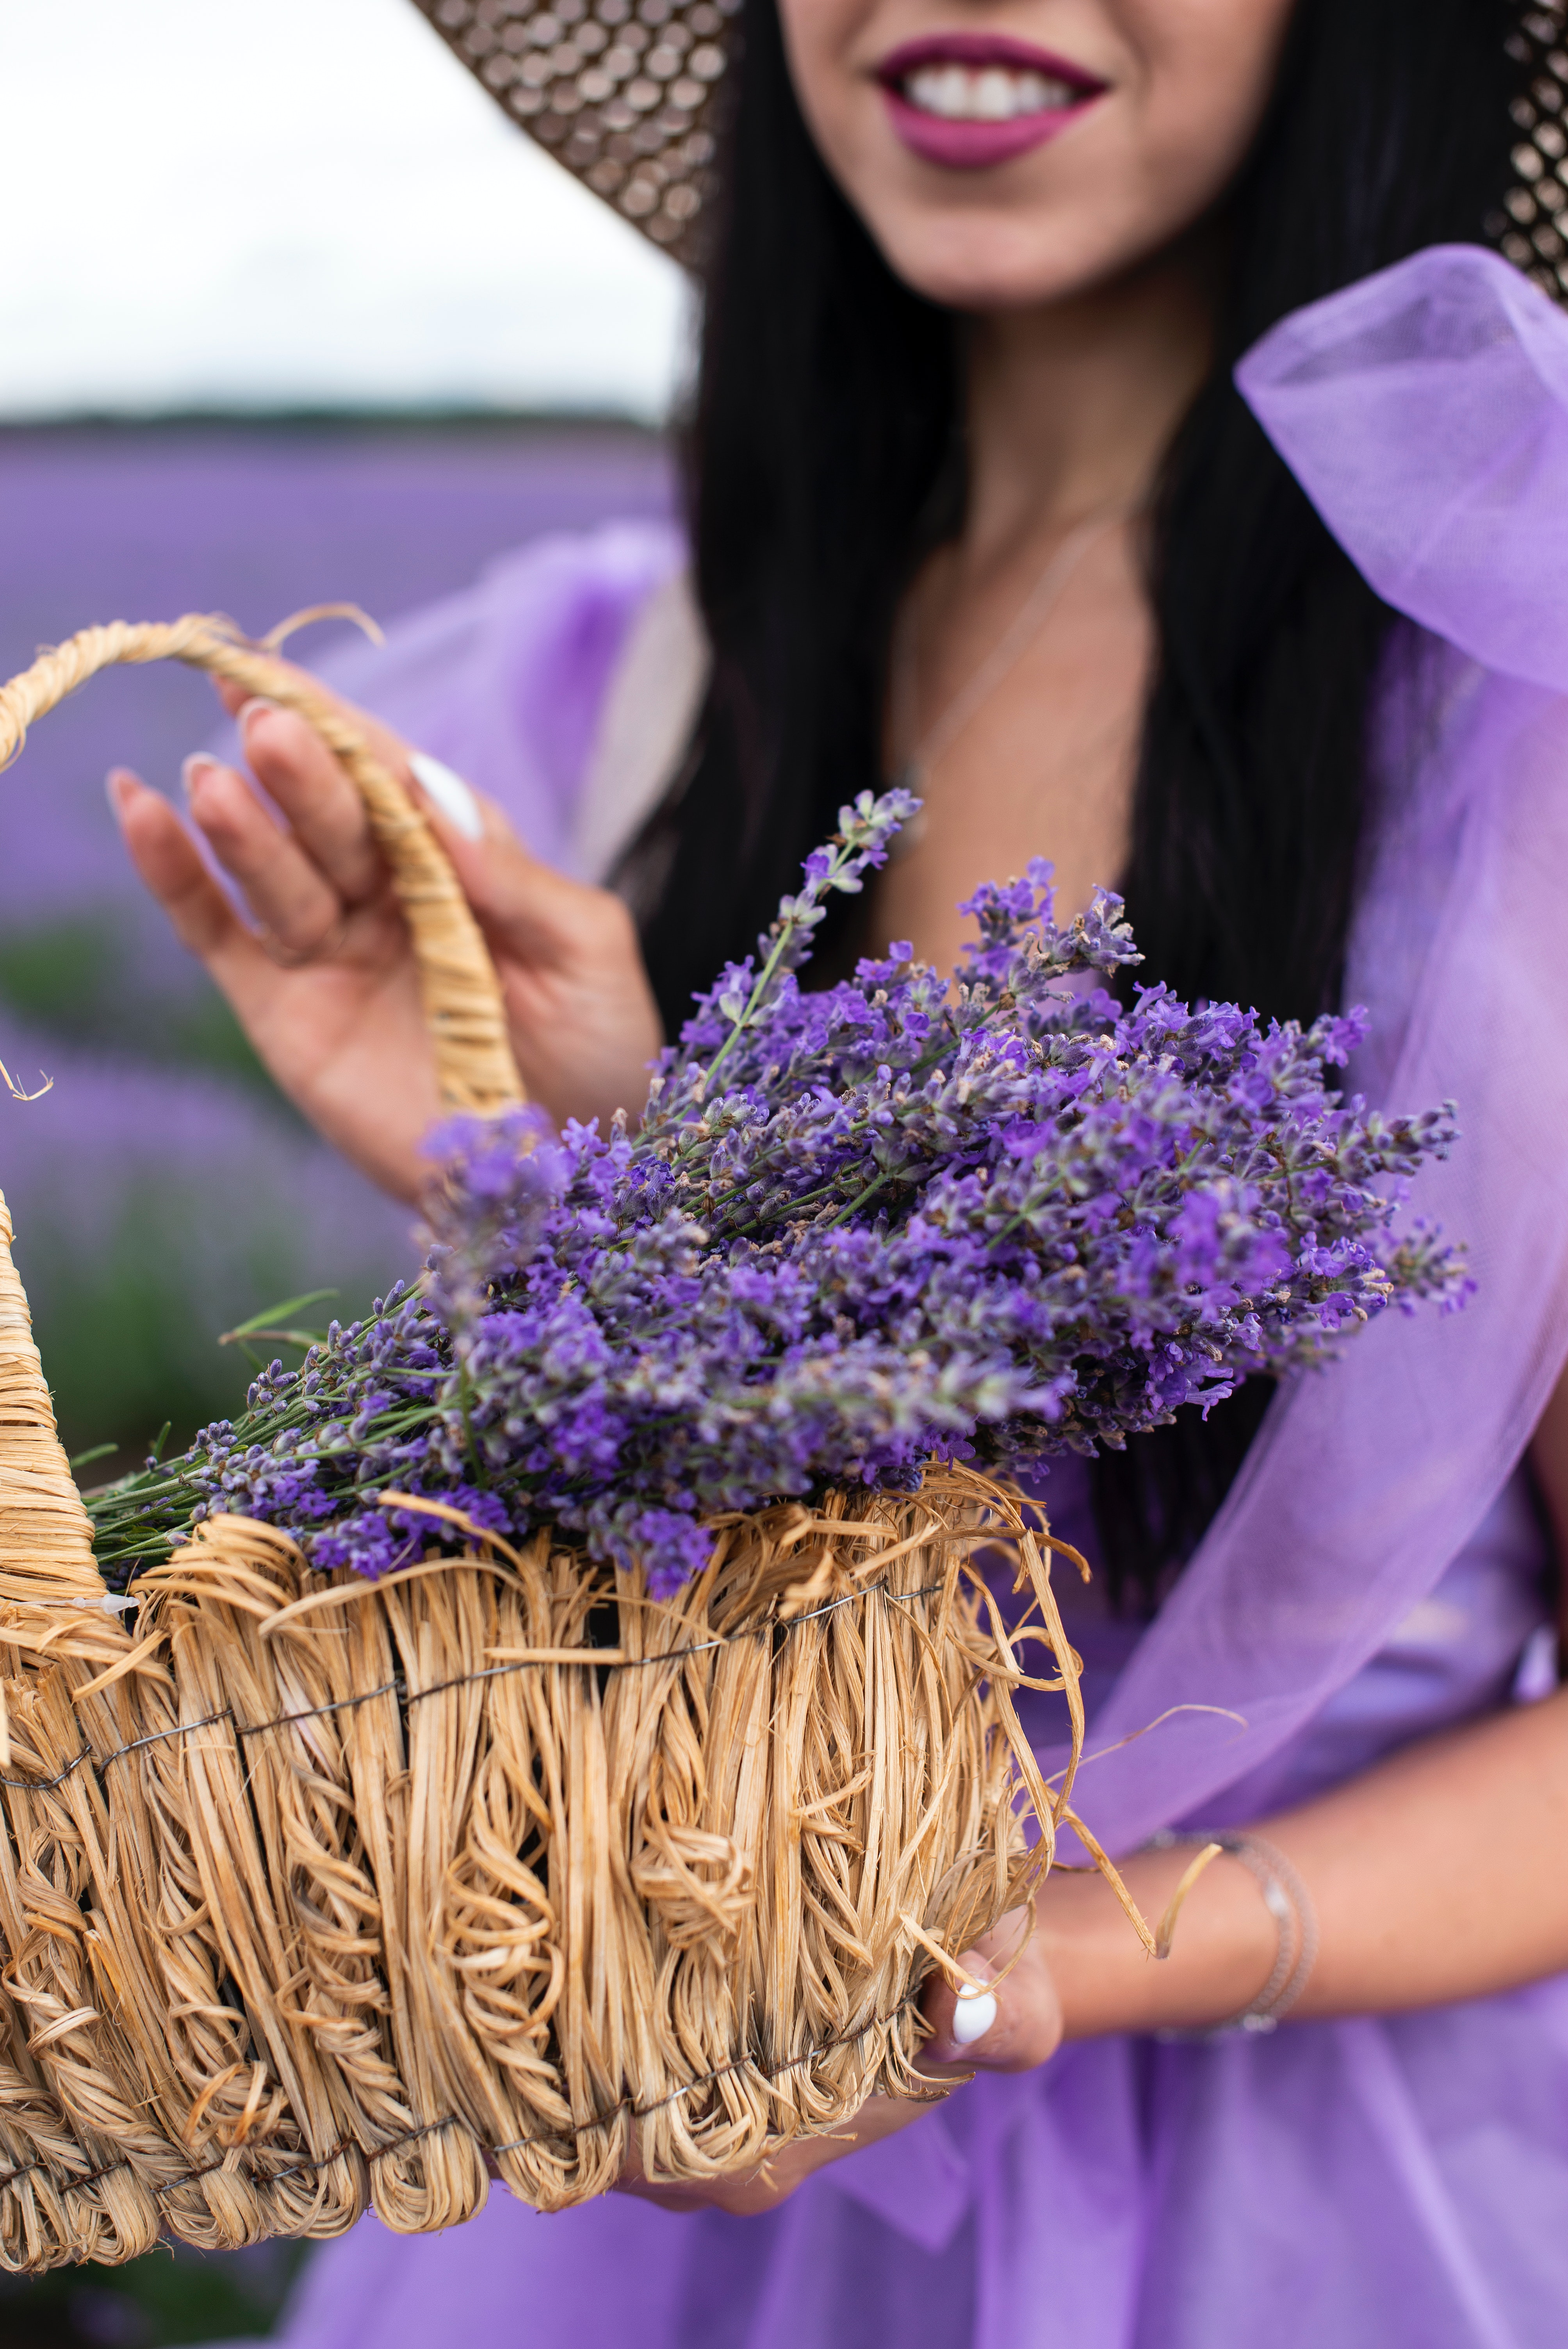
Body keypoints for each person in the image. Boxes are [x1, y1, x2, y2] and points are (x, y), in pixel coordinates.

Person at [103, 0, 1568, 2340]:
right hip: (658, 2155)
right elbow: (706, 1544)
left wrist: (1022, 1965)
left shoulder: (1524, 660)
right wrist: (577, 1182)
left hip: (1300, 2193)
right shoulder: (652, 670)